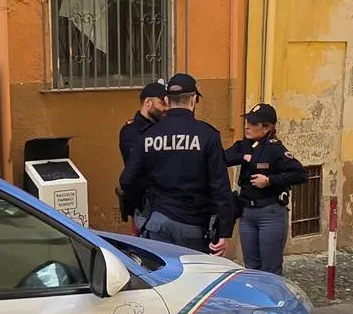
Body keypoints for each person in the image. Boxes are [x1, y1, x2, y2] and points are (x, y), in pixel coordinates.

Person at [117, 72, 233, 254]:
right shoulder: (207, 135)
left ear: (167, 100)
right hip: (193, 225)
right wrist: (224, 231)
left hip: (158, 221)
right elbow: (220, 186)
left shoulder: (148, 134)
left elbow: (127, 179)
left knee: (161, 270)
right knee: (193, 271)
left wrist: (143, 206)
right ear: (193, 100)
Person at [225, 103, 307, 273]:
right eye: (247, 121)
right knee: (251, 268)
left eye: (253, 123)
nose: (247, 126)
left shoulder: (275, 149)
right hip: (247, 213)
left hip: (270, 213)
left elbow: (299, 174)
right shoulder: (244, 145)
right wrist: (243, 157)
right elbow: (222, 157)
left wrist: (269, 180)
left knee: (270, 269)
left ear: (267, 127)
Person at [117, 80, 169, 232]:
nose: (165, 109)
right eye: (162, 103)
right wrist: (139, 204)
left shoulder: (163, 127)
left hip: (164, 204)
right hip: (145, 205)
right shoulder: (131, 131)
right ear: (148, 103)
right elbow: (133, 174)